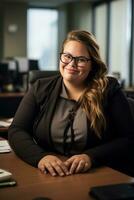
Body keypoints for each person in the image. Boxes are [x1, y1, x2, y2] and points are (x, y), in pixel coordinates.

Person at [8, 30, 134, 177]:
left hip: (98, 172)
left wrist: (91, 157)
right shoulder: (40, 88)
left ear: (92, 64)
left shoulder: (109, 90)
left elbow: (128, 138)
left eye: (80, 59)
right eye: (67, 56)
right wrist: (41, 157)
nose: (71, 64)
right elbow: (16, 130)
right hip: (51, 173)